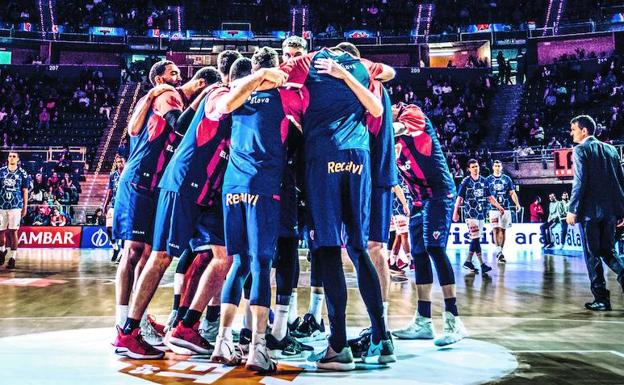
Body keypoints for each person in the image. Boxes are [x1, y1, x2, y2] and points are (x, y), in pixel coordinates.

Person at [280, 46, 394, 370]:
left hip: (323, 155)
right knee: (359, 248)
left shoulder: (309, 61)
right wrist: (350, 74)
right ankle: (382, 338)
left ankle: (338, 346)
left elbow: (276, 77)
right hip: (359, 159)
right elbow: (378, 102)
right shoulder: (361, 66)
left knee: (327, 249)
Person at [113, 61, 218, 357]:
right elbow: (178, 125)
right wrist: (203, 95)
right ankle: (124, 323)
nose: (178, 76)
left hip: (157, 184)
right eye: (173, 72)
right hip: (140, 180)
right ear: (159, 78)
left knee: (147, 253)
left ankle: (138, 319)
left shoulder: (171, 97)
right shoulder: (166, 94)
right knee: (134, 251)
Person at [391, 103, 468, 346]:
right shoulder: (391, 143)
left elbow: (396, 128)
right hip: (418, 199)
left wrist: (375, 127)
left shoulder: (410, 112)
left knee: (435, 249)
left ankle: (453, 320)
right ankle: (423, 321)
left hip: (439, 193)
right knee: (419, 254)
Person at [565, 115, 624, 311]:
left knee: (592, 255)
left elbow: (579, 182)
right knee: (608, 251)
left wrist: (572, 209)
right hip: (610, 213)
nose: (571, 132)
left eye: (573, 129)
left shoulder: (580, 149)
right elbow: (620, 182)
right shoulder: (612, 149)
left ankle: (601, 299)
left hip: (590, 214)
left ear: (584, 131)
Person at [453, 159, 504, 275]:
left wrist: (499, 207)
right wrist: (455, 212)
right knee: (475, 238)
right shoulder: (465, 181)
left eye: (477, 166)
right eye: (473, 167)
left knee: (475, 239)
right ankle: (482, 264)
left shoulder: (484, 181)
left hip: (481, 214)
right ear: (469, 169)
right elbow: (459, 198)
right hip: (470, 214)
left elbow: (490, 197)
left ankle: (468, 261)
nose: (476, 168)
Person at [486, 160, 521, 263]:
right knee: (495, 229)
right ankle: (498, 251)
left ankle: (501, 251)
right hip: (493, 209)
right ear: (493, 167)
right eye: (496, 166)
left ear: (501, 167)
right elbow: (487, 195)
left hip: (506, 208)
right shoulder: (488, 180)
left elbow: (512, 193)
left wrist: (517, 204)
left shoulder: (507, 179)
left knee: (503, 229)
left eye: (499, 166)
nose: (497, 167)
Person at [0, 151, 29, 269]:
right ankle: (1, 252)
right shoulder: (1, 171)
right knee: (1, 231)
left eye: (14, 156)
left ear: (18, 159)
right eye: (10, 156)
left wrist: (25, 207)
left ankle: (13, 258)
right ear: (7, 158)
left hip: (16, 206)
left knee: (13, 232)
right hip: (1, 206)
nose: (11, 158)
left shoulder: (23, 173)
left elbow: (25, 191)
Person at [104, 155, 124, 262]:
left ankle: (123, 251)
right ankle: (115, 247)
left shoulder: (128, 174)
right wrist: (105, 205)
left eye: (121, 161)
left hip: (124, 206)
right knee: (108, 227)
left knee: (123, 230)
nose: (119, 164)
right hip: (113, 204)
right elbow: (110, 191)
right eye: (118, 162)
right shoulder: (113, 175)